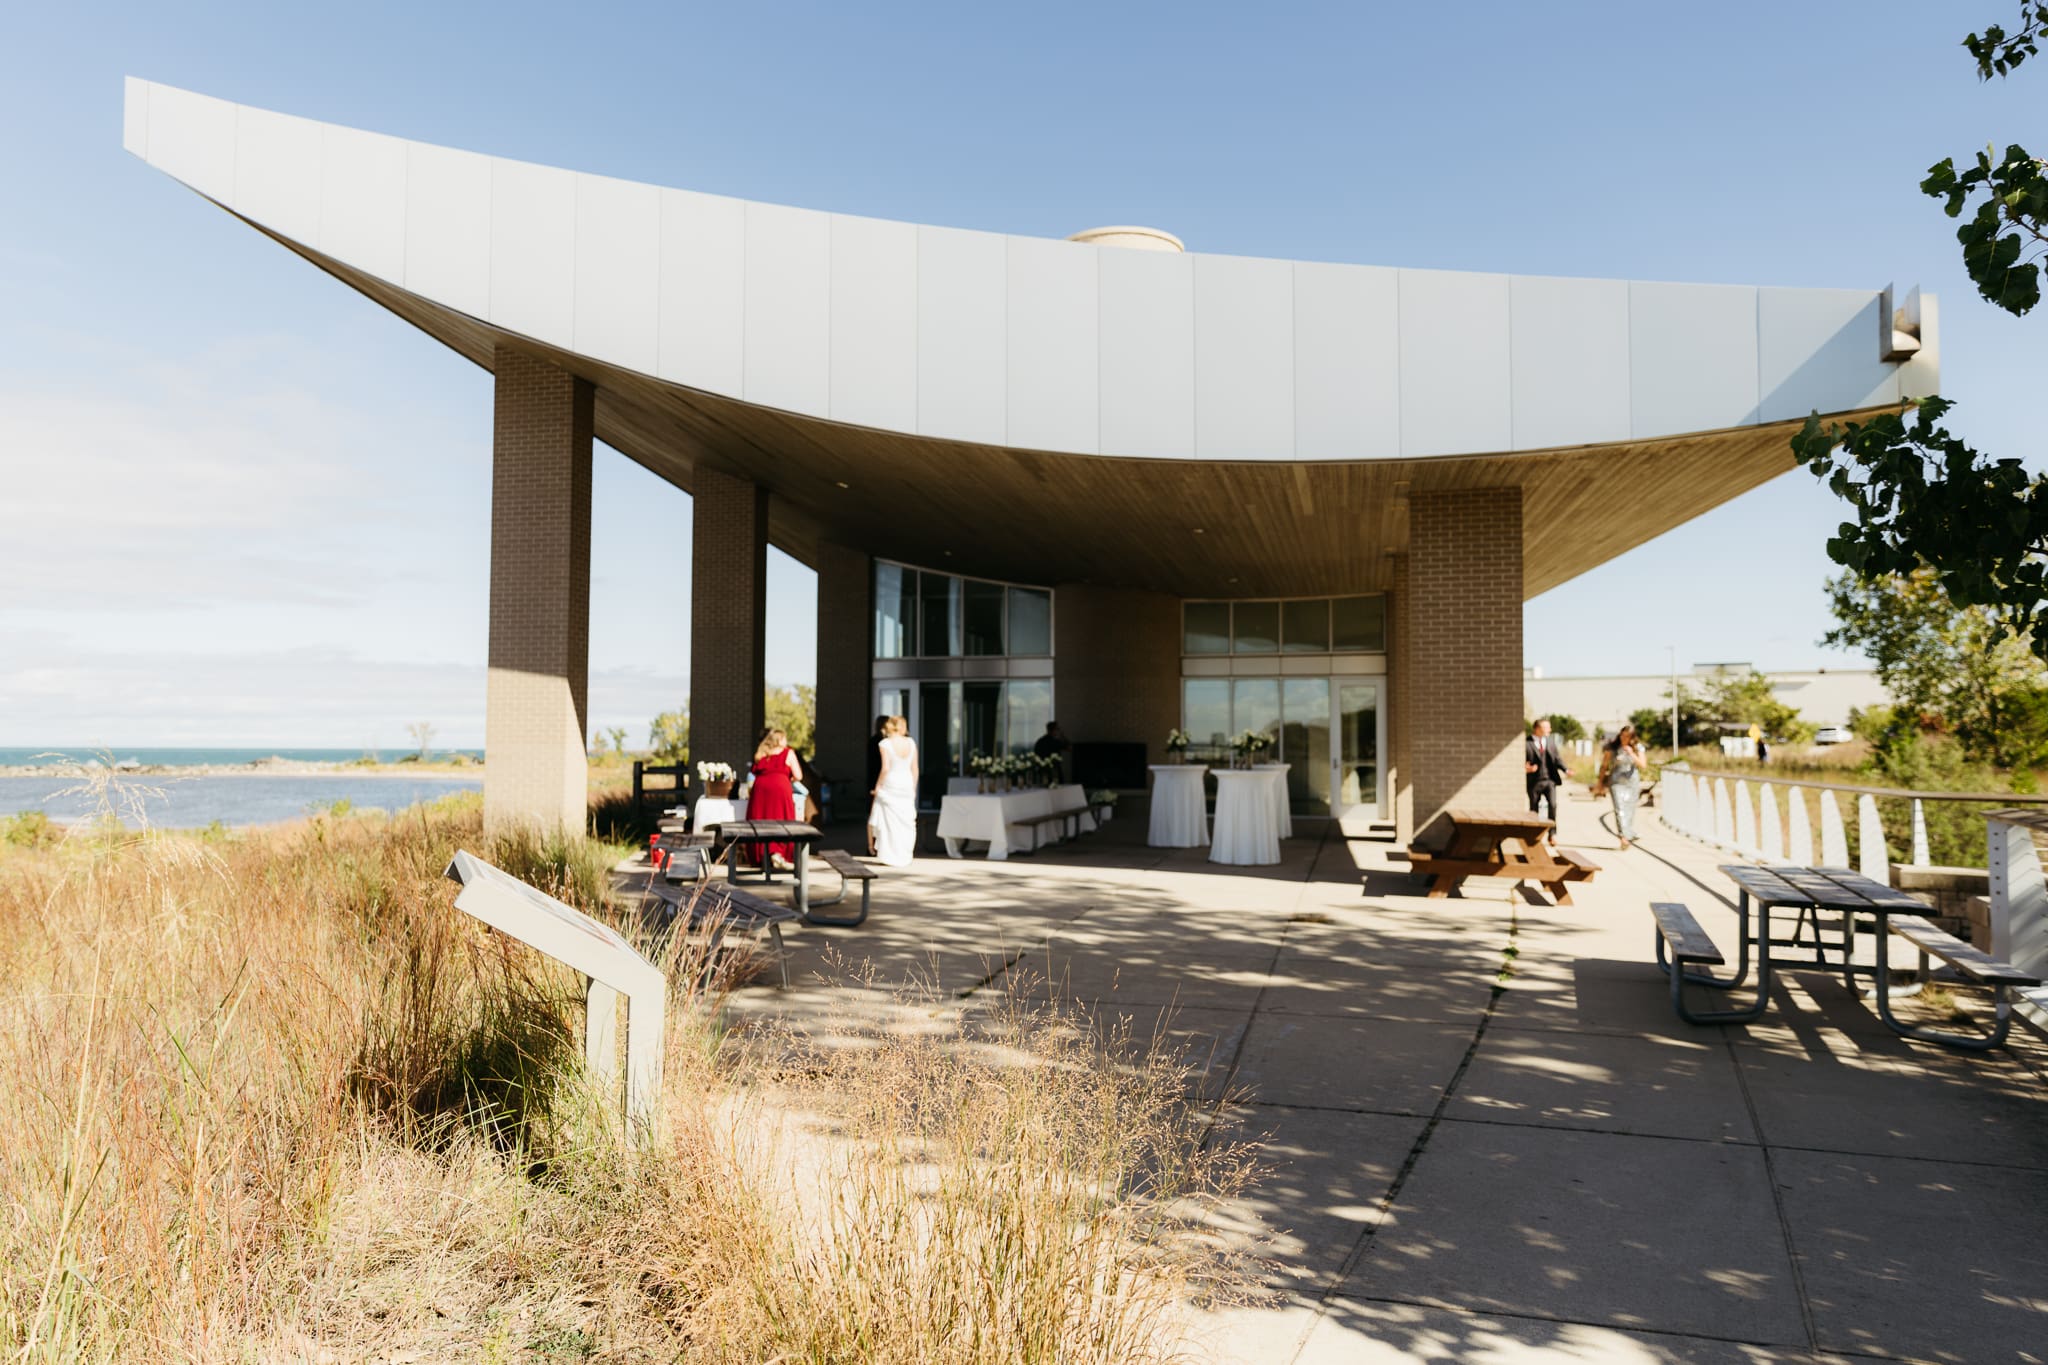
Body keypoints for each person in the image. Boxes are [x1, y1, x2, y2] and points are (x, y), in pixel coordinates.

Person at [746, 727, 803, 870]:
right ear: (780, 740)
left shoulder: (762, 753)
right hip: (780, 789)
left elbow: (754, 772)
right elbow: (798, 775)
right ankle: (778, 852)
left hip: (760, 790)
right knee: (781, 819)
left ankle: (763, 855)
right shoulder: (788, 752)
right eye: (785, 738)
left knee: (762, 819)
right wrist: (787, 778)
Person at [870, 714, 919, 867]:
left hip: (891, 783)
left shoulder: (885, 744)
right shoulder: (911, 743)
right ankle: (905, 854)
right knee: (906, 820)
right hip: (906, 784)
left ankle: (890, 855)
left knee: (889, 822)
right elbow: (915, 769)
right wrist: (913, 787)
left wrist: (878, 787)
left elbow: (885, 768)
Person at [1598, 723, 1648, 851]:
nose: (1623, 738)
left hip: (1632, 782)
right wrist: (1600, 783)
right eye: (1622, 735)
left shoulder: (1638, 747)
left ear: (1632, 737)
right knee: (1619, 809)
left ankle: (1628, 833)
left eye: (1627, 736)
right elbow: (1604, 765)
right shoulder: (1613, 748)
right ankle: (1623, 837)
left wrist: (1632, 753)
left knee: (1629, 810)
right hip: (1616, 782)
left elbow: (1643, 765)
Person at [1524, 718, 1567, 824]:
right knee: (1534, 808)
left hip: (1549, 780)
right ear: (1537, 728)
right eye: (1547, 727)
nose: (1550, 730)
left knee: (1553, 805)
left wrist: (1565, 769)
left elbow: (1557, 758)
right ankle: (1534, 830)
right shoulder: (1526, 743)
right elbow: (1520, 762)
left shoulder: (1550, 742)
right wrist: (1525, 768)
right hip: (1534, 781)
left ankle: (1552, 830)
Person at [865, 714, 891, 855]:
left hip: (874, 780)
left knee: (875, 815)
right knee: (877, 814)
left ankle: (872, 846)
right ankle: (875, 845)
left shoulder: (873, 741)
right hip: (881, 781)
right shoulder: (884, 743)